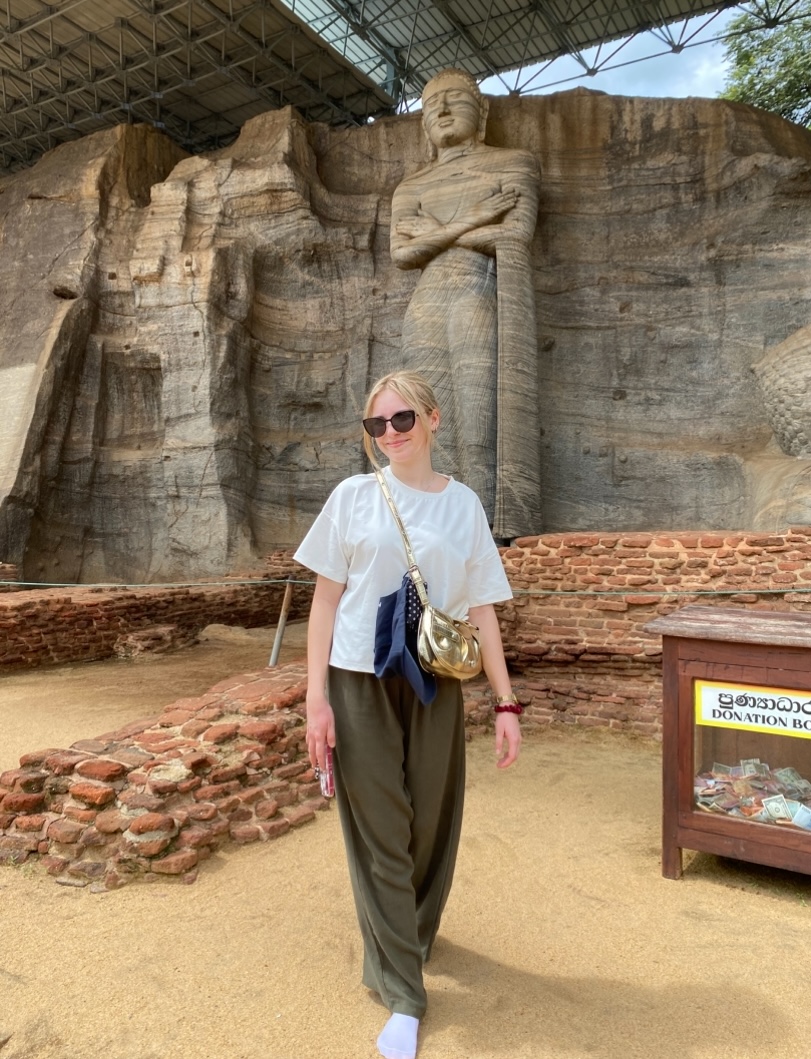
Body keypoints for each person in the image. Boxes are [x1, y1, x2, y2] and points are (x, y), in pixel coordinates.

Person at [294, 370, 522, 1059]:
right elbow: (324, 605)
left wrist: (505, 699)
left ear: (432, 419)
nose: (390, 434)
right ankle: (403, 991)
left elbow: (482, 607)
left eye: (401, 420)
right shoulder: (353, 498)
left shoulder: (463, 506)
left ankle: (409, 931)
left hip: (434, 680)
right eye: (377, 425)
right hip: (357, 678)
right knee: (383, 829)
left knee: (431, 823)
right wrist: (315, 700)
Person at [390, 68, 540, 540]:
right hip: (426, 306)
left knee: (479, 417)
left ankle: (486, 530)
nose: (442, 109)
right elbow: (401, 254)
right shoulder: (410, 187)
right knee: (428, 423)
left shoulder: (512, 163)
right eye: (431, 104)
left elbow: (514, 233)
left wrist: (431, 232)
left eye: (455, 98)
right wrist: (474, 217)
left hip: (478, 292)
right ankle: (437, 525)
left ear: (484, 110)